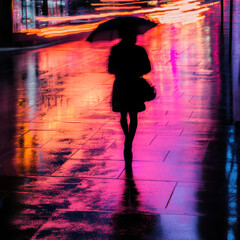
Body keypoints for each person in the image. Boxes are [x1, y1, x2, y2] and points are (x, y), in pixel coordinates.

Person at [108, 25, 151, 168]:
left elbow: (110, 69)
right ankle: (129, 142)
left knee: (122, 114)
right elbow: (147, 68)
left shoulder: (115, 50)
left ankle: (126, 137)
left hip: (120, 84)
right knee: (133, 116)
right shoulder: (139, 50)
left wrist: (120, 70)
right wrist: (137, 71)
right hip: (134, 85)